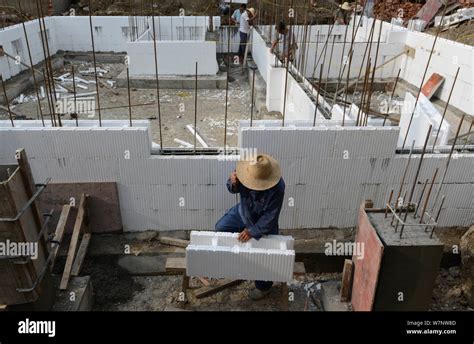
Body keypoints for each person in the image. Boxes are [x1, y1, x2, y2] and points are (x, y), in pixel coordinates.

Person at [215, 154, 286, 300]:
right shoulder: (244, 171)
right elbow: (232, 189)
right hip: (244, 211)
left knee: (266, 254)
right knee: (221, 228)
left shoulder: (278, 187)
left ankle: (263, 287)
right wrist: (232, 182)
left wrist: (252, 231)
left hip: (263, 221)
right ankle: (240, 260)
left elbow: (271, 216)